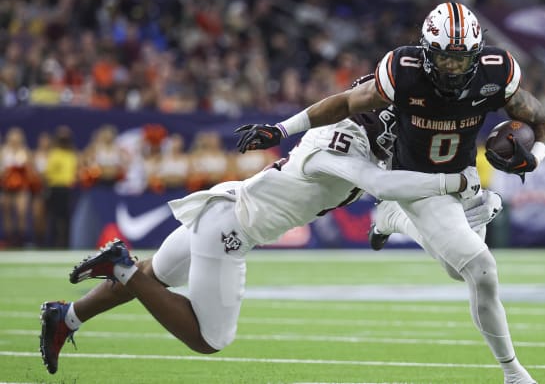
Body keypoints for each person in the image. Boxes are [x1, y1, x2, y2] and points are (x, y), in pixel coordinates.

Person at [233, 2, 545, 384]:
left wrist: (534, 158)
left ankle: (391, 217)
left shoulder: (496, 71)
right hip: (416, 179)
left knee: (459, 271)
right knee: (482, 269)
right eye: (443, 58)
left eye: (461, 59)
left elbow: (544, 122)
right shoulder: (404, 72)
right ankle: (514, 373)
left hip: (461, 171)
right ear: (425, 52)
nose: (452, 69)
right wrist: (282, 130)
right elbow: (344, 103)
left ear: (476, 54)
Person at [39, 108, 488, 375]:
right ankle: (121, 268)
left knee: (155, 275)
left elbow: (390, 190)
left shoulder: (348, 137)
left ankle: (68, 317)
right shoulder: (338, 150)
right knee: (209, 339)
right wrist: (456, 181)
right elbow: (382, 184)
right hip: (231, 231)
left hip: (224, 207)